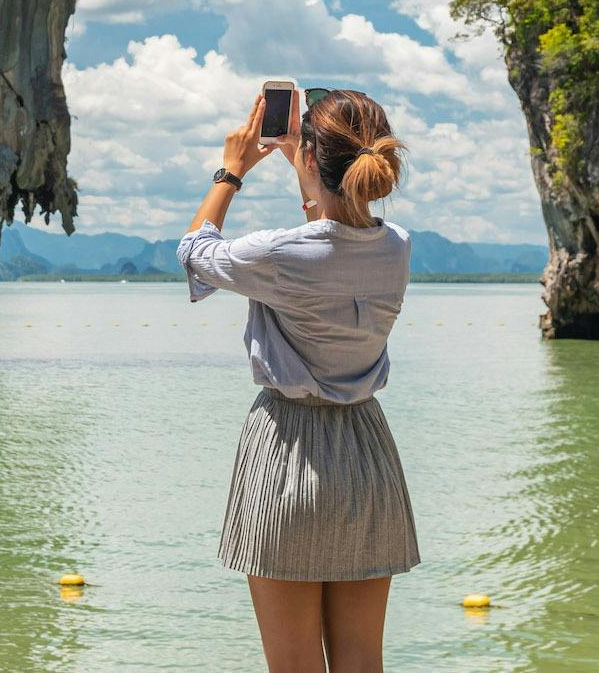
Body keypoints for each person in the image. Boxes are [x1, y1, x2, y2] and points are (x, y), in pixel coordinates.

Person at [177, 87, 418, 673]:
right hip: (367, 456)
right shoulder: (398, 248)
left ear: (313, 159)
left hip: (286, 453)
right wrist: (305, 163)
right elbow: (337, 232)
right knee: (362, 662)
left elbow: (193, 252)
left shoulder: (278, 254)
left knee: (293, 666)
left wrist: (230, 170)